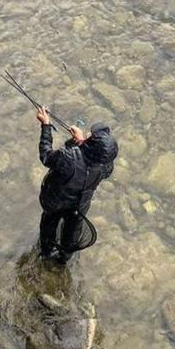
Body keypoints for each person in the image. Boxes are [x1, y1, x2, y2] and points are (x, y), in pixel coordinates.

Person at [36, 106, 118, 264]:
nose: (88, 134)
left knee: (48, 226)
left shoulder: (68, 157)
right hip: (79, 206)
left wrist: (46, 125)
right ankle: (63, 260)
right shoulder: (106, 167)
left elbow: (46, 156)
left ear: (90, 144)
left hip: (55, 202)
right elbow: (90, 163)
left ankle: (46, 252)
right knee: (71, 234)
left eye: (91, 136)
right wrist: (81, 143)